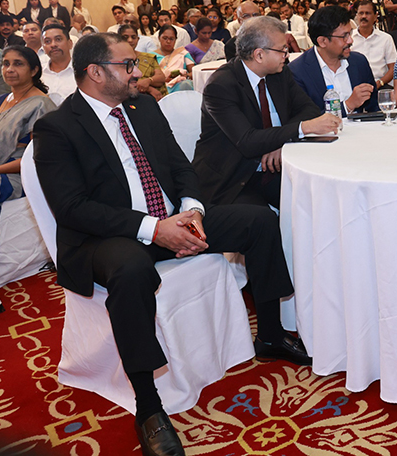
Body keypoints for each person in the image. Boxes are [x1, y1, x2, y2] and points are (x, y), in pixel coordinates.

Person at [32, 32, 313, 456]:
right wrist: (154, 229)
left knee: (257, 221)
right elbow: (73, 208)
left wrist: (193, 211)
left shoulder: (142, 106)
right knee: (130, 270)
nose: (137, 72)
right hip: (108, 236)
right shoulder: (56, 127)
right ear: (94, 72)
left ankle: (270, 334)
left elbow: (181, 167)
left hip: (171, 217)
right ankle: (148, 406)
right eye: (127, 65)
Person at [193, 16, 340, 211]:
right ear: (259, 55)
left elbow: (309, 109)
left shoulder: (280, 73)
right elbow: (247, 141)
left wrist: (281, 142)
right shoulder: (221, 86)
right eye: (282, 50)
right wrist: (302, 128)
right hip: (234, 176)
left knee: (321, 198)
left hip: (275, 167)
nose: (286, 55)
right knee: (264, 221)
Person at [0, 45, 52, 279]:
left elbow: (36, 158)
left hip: (18, 175)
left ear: (34, 70)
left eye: (18, 64)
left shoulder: (42, 105)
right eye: (6, 64)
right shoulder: (0, 101)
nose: (10, 69)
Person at [289, 5, 378, 116]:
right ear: (322, 41)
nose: (350, 40)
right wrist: (347, 106)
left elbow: (374, 107)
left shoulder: (359, 62)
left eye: (350, 33)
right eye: (344, 36)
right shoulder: (297, 71)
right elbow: (305, 118)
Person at [350, 0, 397, 89]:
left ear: (375, 16)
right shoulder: (349, 37)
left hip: (380, 85)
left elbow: (393, 68)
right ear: (357, 16)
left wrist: (380, 83)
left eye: (367, 13)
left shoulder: (386, 38)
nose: (364, 16)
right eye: (361, 13)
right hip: (354, 86)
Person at [117, 24, 167, 100]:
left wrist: (148, 81)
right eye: (125, 37)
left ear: (138, 39)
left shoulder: (148, 57)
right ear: (118, 39)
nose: (130, 40)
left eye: (133, 37)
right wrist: (149, 89)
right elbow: (118, 82)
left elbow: (161, 78)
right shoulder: (115, 60)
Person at [152, 24, 194, 92]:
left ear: (175, 40)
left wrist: (184, 76)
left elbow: (193, 72)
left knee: (186, 84)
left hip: (181, 85)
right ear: (159, 38)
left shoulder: (183, 53)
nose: (168, 41)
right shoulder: (151, 56)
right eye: (165, 38)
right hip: (160, 87)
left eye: (171, 39)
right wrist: (165, 79)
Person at [41, 23, 76, 101]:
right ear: (43, 47)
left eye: (58, 39)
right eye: (47, 41)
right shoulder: (38, 74)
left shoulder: (82, 72)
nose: (53, 45)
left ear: (70, 44)